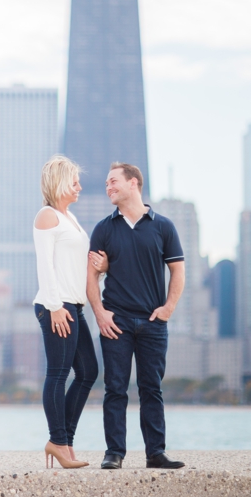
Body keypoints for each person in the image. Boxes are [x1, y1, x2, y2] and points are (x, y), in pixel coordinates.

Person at [86, 162, 187, 470]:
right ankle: (114, 453)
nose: (108, 187)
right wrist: (100, 314)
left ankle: (156, 453)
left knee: (151, 389)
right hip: (115, 322)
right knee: (115, 388)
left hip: (153, 323)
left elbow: (178, 271)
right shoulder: (104, 228)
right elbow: (91, 277)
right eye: (106, 183)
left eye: (113, 181)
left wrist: (168, 308)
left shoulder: (163, 226)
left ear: (134, 183)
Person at [33, 155, 102, 469]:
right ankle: (57, 441)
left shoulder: (70, 217)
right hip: (56, 306)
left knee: (88, 372)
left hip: (74, 306)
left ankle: (64, 440)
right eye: (74, 181)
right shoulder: (47, 216)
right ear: (60, 183)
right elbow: (44, 266)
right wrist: (55, 306)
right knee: (58, 374)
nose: (79, 186)